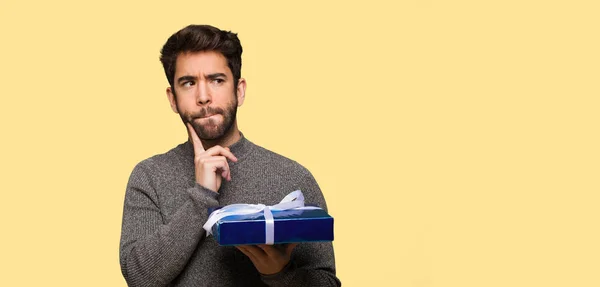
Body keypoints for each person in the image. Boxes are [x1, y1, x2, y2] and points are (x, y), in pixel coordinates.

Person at [119, 24, 341, 287]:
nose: (203, 97)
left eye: (216, 80)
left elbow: (326, 282)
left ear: (239, 90)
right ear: (172, 99)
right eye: (188, 83)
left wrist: (280, 273)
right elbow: (139, 278)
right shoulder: (149, 177)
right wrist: (201, 197)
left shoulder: (293, 177)